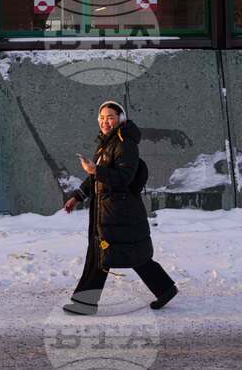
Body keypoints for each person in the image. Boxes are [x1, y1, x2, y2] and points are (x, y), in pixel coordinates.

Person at [61, 100, 178, 315]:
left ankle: (85, 304)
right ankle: (165, 288)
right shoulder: (107, 142)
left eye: (110, 117)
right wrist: (78, 196)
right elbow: (96, 175)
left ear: (120, 119)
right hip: (107, 208)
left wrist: (95, 170)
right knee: (124, 253)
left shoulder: (125, 144)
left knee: (105, 254)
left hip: (117, 210)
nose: (105, 122)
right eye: (102, 118)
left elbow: (124, 177)